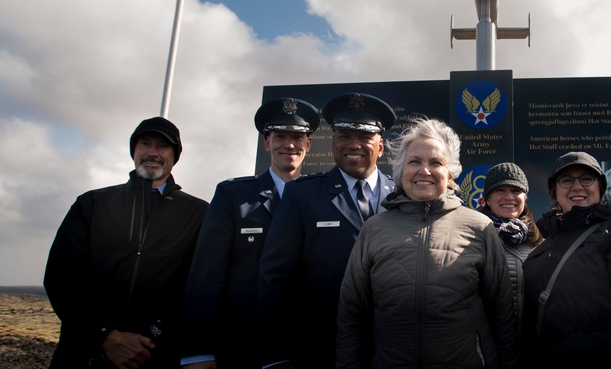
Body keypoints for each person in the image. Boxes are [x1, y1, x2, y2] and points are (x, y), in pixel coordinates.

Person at [337, 117, 517, 368]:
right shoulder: (374, 229)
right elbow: (351, 315)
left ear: (450, 171)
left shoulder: (480, 227)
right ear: (401, 171)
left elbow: (502, 313)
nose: (425, 171)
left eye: (436, 162)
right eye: (414, 162)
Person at [44, 117, 208, 369]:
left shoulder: (200, 214)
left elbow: (202, 287)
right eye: (145, 143)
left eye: (163, 146)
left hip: (156, 356)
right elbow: (61, 278)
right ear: (134, 150)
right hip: (84, 354)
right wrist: (105, 335)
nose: (152, 152)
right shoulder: (92, 204)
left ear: (175, 156)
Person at [256, 92, 396, 368]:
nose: (353, 144)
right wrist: (278, 355)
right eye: (343, 135)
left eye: (365, 137)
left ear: (380, 146)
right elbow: (276, 277)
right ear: (333, 142)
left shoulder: (402, 196)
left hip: (392, 346)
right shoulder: (302, 194)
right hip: (319, 347)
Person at [180, 98, 321, 369]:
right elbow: (206, 275)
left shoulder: (322, 199)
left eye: (297, 137)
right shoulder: (234, 196)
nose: (288, 145)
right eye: (280, 136)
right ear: (267, 143)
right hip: (243, 344)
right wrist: (198, 350)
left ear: (308, 144)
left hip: (304, 344)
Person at [520, 151, 611, 367]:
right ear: (554, 191)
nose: (577, 187)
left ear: (600, 187)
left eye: (587, 179)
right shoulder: (541, 245)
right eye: (567, 180)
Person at [477, 162, 544, 339]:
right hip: (490, 345)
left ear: (525, 197)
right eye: (500, 190)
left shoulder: (540, 242)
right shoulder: (474, 239)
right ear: (487, 199)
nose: (509, 197)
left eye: (515, 191)